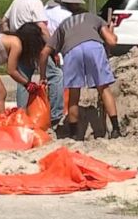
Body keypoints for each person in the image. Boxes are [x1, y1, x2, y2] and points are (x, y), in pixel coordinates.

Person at [39, 12, 121, 140]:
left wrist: (43, 76)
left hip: (72, 51)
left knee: (74, 93)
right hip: (94, 47)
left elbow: (44, 53)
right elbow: (112, 41)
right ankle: (116, 129)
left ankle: (74, 134)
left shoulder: (63, 25)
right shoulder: (94, 18)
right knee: (104, 88)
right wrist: (111, 29)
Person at [2, 0, 64, 126]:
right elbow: (42, 27)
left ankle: (22, 115)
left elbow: (4, 21)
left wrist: (11, 36)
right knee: (56, 75)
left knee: (23, 79)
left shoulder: (17, 0)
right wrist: (52, 47)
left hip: (19, 43)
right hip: (34, 43)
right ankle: (56, 115)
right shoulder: (35, 3)